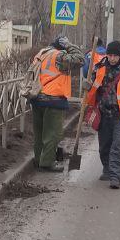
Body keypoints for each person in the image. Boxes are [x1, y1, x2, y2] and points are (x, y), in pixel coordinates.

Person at [28, 35, 84, 173]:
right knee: (52, 134)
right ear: (62, 47)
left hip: (37, 98)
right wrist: (69, 45)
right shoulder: (59, 56)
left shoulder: (41, 53)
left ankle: (38, 159)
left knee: (39, 133)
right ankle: (47, 162)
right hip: (53, 99)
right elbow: (80, 59)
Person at [86, 41, 120, 189]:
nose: (112, 58)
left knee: (117, 146)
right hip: (103, 114)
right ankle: (107, 169)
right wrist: (87, 86)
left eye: (115, 55)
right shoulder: (99, 68)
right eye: (110, 55)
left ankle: (116, 177)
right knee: (104, 145)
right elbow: (92, 86)